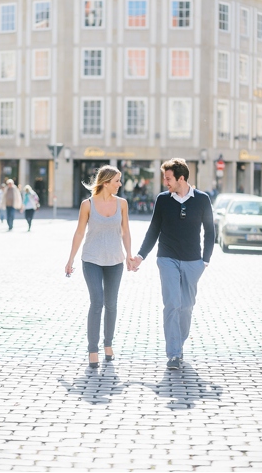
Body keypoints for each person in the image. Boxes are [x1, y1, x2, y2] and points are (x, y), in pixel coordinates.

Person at [130, 158, 215, 370]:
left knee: (186, 307)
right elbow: (153, 230)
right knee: (172, 304)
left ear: (181, 178)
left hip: (193, 261)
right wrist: (141, 255)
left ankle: (179, 343)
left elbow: (210, 231)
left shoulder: (202, 199)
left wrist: (205, 260)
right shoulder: (162, 200)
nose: (165, 182)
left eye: (168, 179)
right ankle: (174, 354)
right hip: (166, 258)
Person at [65, 165, 134, 369]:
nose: (120, 184)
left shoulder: (122, 204)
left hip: (115, 260)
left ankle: (108, 345)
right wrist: (70, 259)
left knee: (111, 304)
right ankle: (92, 349)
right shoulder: (87, 205)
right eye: (117, 181)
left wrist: (129, 255)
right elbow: (79, 233)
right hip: (92, 259)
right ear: (106, 183)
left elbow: (126, 231)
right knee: (97, 302)